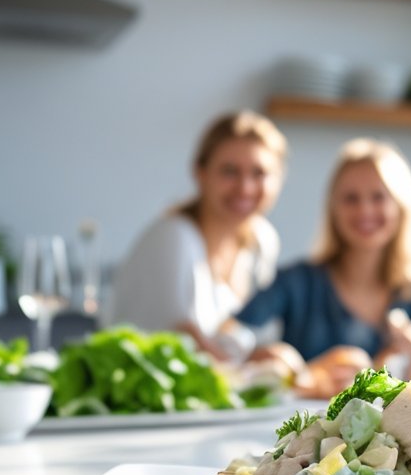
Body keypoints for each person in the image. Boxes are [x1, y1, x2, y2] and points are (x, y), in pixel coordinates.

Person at [227, 137, 411, 398]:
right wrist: (291, 369)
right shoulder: (297, 281)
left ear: (401, 206)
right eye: (351, 198)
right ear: (334, 208)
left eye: (378, 197)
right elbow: (229, 338)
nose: (364, 209)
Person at [106, 111, 287, 359]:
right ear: (200, 173)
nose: (245, 188)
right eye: (229, 171)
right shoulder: (173, 237)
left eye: (259, 173)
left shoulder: (261, 242)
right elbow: (181, 344)